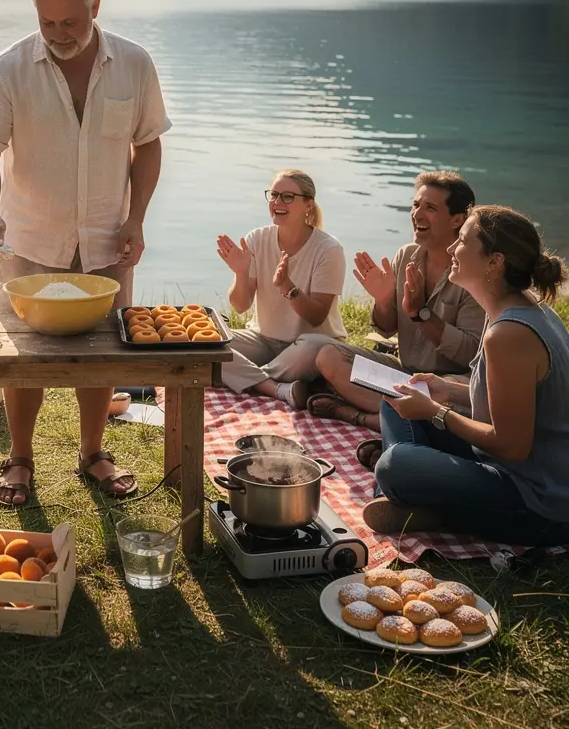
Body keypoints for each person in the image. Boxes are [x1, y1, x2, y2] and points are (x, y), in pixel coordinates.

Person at [0, 0, 170, 506]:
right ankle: (19, 457)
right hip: (30, 238)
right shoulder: (6, 69)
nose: (58, 34)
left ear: (95, 7)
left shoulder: (135, 63)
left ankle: (93, 452)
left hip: (108, 238)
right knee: (23, 354)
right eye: (47, 22)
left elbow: (148, 144)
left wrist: (136, 217)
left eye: (70, 22)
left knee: (104, 351)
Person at [363, 205, 569, 545]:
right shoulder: (514, 307)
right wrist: (447, 389)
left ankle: (424, 506)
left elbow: (512, 446)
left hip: (537, 502)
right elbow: (507, 400)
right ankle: (412, 499)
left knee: (395, 464)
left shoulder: (509, 334)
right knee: (396, 397)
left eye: (461, 240)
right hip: (506, 466)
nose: (450, 248)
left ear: (494, 261)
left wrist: (436, 412)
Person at [307, 172, 485, 452]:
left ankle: (362, 417)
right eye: (416, 205)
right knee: (328, 356)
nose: (417, 214)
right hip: (405, 375)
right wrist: (382, 301)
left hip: (450, 384)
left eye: (430, 208)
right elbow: (386, 327)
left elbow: (469, 353)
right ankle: (400, 419)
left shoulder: (471, 270)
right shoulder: (406, 255)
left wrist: (421, 314)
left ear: (457, 219)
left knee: (441, 395)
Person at [216, 170, 346, 408]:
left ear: (308, 204)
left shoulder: (329, 249)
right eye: (274, 195)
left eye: (287, 197)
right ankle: (274, 387)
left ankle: (244, 376)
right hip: (263, 341)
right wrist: (241, 273)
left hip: (306, 348)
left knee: (317, 348)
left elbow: (317, 316)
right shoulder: (256, 239)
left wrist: (287, 287)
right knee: (209, 344)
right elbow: (240, 306)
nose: (277, 202)